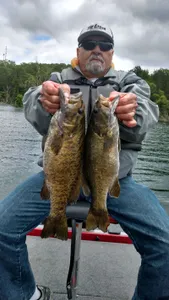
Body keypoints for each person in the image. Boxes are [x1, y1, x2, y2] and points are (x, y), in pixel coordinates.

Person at [0, 22, 169, 300]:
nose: (96, 50)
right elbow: (32, 102)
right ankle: (24, 293)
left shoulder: (130, 82)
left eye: (104, 45)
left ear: (112, 53)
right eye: (89, 44)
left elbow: (147, 112)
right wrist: (42, 99)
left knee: (164, 243)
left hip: (113, 181)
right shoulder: (59, 79)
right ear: (78, 51)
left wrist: (132, 110)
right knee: (2, 228)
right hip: (57, 178)